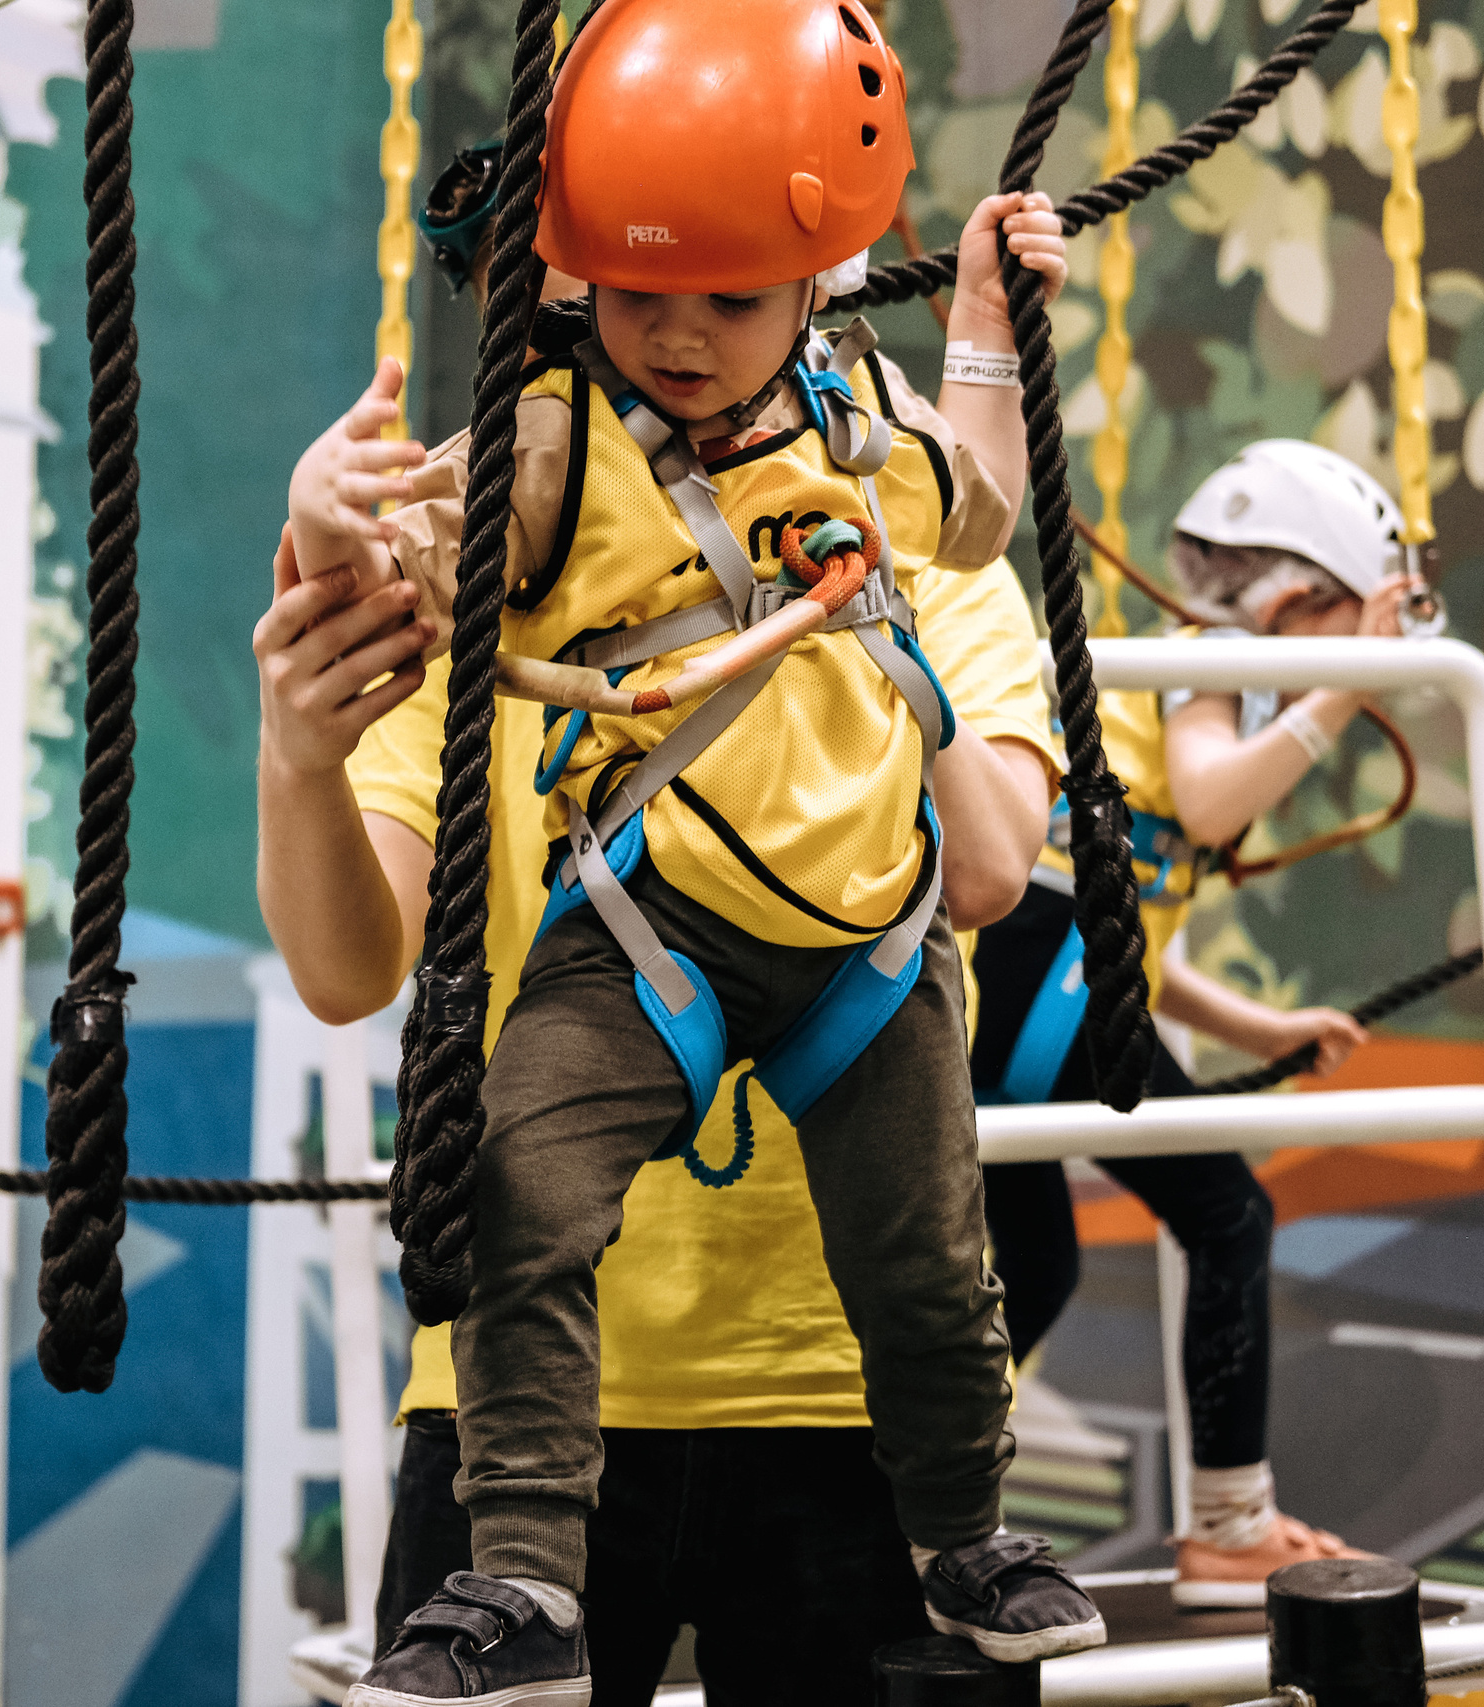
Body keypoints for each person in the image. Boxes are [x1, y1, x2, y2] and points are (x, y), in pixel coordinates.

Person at [278, 4, 1108, 1699]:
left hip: (847, 1123)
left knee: (934, 1257)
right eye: (639, 292)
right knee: (524, 1193)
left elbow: (986, 812)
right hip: (639, 969)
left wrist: (973, 345)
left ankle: (966, 1529)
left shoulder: (867, 459)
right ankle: (524, 1575)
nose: (677, 335)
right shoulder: (556, 452)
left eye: (731, 299)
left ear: (816, 288)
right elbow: (428, 552)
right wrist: (328, 540)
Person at [969, 438, 1416, 1608]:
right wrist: (1342, 690)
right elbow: (1211, 797)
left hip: (1033, 978)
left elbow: (1126, 929)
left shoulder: (1188, 675)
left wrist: (1255, 1027)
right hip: (1048, 978)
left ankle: (908, 1500)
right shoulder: (1208, 663)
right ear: (1295, 598)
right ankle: (1228, 1525)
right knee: (1227, 1213)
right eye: (1352, 619)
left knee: (1035, 1264)